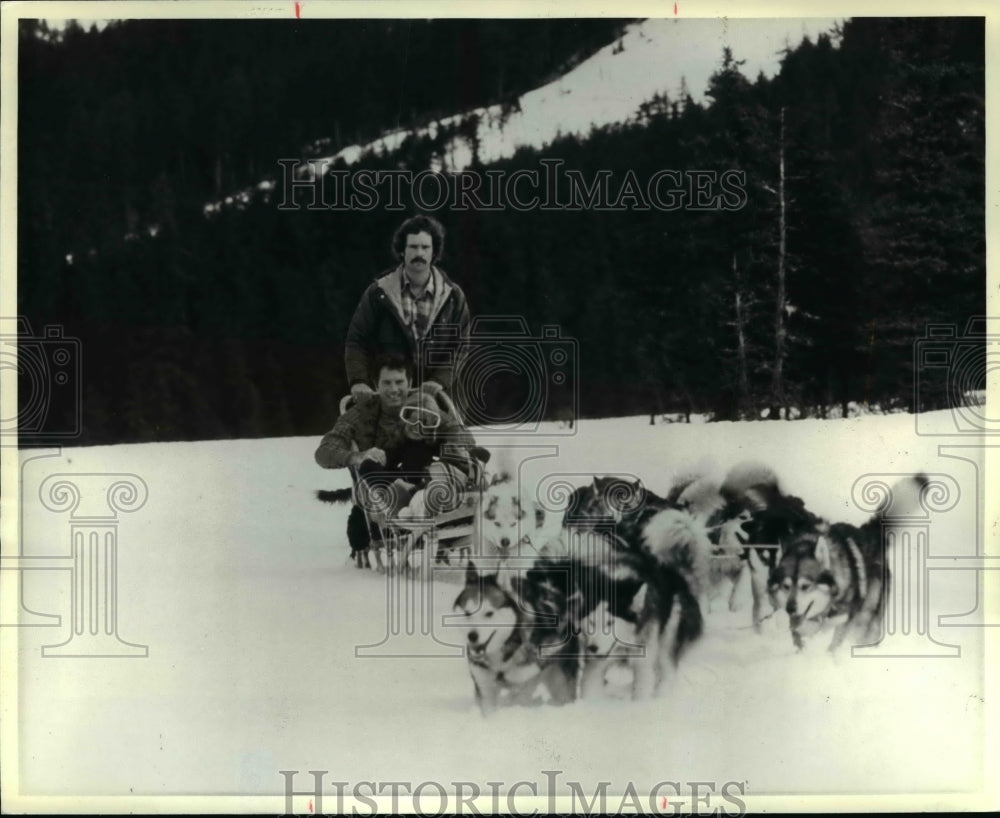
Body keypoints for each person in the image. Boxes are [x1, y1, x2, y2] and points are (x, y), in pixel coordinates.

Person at [344, 214, 471, 403]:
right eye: (413, 246)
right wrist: (358, 381)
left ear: (434, 252)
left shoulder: (453, 296)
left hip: (439, 399)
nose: (419, 253)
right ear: (402, 250)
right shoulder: (378, 293)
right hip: (390, 398)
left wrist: (439, 381)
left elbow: (461, 346)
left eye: (425, 247)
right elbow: (356, 341)